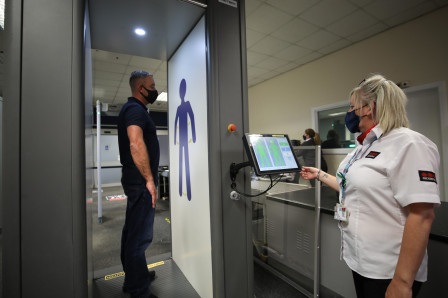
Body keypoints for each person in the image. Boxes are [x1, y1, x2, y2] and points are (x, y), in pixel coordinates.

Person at [300, 74, 440, 298]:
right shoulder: (363, 146)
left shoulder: (409, 144)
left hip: (389, 268)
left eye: (352, 106)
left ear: (368, 108)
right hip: (362, 260)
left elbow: (422, 215)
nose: (349, 112)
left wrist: (403, 282)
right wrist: (319, 174)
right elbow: (349, 185)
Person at [118, 70, 160, 298]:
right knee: (139, 237)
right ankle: (138, 289)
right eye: (152, 86)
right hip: (141, 183)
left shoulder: (134, 109)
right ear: (140, 88)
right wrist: (150, 181)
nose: (155, 90)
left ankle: (135, 275)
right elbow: (135, 144)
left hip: (134, 181)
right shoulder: (134, 110)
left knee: (132, 231)